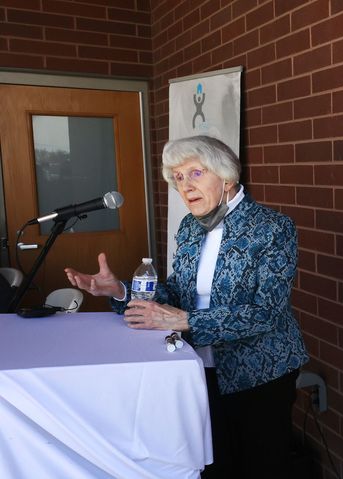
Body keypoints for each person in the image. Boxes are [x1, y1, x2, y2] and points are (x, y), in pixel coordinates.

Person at [65, 135, 309, 478]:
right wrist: (120, 290)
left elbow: (265, 312)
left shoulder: (271, 228)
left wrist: (185, 320)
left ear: (226, 176)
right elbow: (177, 297)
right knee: (212, 463)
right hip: (198, 368)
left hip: (260, 372)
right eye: (178, 178)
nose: (185, 185)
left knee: (261, 466)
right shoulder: (191, 228)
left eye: (194, 173)